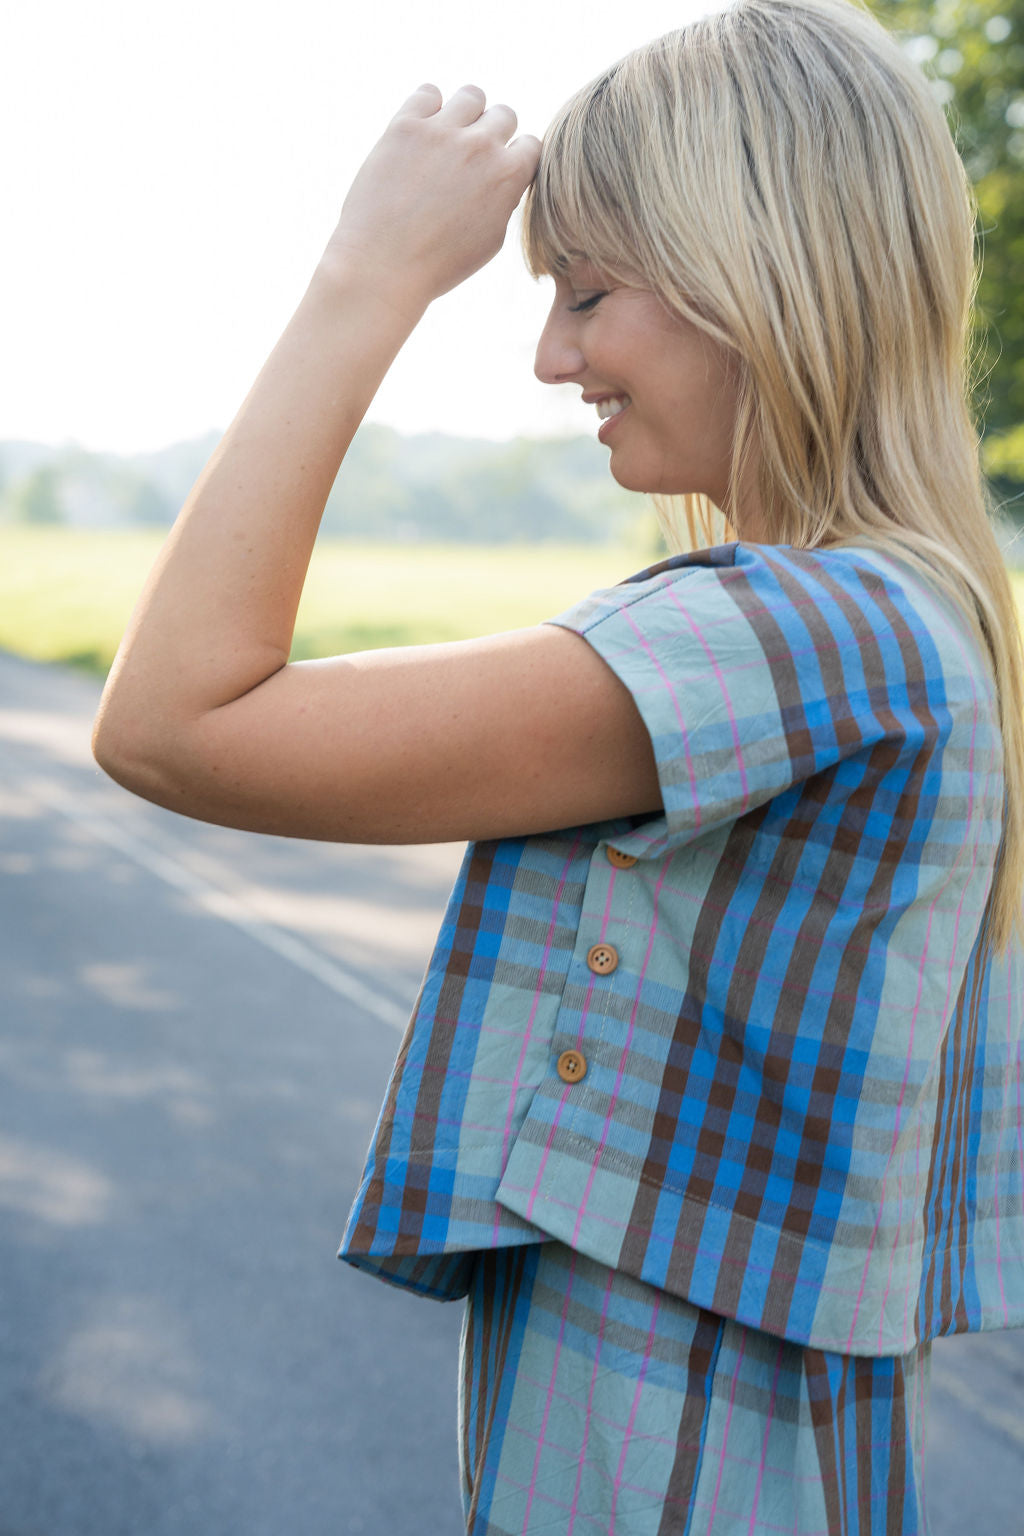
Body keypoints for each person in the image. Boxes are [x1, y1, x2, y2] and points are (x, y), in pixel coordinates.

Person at [93, 0, 1024, 1530]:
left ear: (763, 272)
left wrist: (364, 279)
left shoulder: (808, 633)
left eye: (587, 292)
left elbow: (174, 722)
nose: (550, 356)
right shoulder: (894, 619)